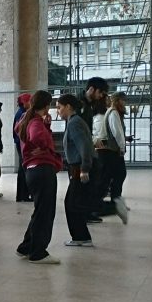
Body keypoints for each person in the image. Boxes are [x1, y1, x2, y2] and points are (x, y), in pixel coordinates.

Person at [15, 90, 62, 264]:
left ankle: (27, 246)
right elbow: (37, 137)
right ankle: (38, 252)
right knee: (45, 212)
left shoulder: (28, 119)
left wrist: (46, 126)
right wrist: (43, 146)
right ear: (46, 105)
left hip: (33, 171)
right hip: (42, 169)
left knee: (40, 211)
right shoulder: (35, 121)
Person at [56, 94, 95, 248]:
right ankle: (81, 236)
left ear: (69, 107)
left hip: (79, 168)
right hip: (76, 168)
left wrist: (84, 169)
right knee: (74, 203)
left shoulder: (74, 123)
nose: (58, 111)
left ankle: (81, 237)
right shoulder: (73, 122)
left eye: (59, 107)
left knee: (72, 204)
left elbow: (84, 146)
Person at [96, 91, 129, 223]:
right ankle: (112, 202)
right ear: (118, 100)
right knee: (116, 175)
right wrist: (122, 147)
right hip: (110, 151)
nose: (125, 103)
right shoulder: (114, 113)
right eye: (123, 100)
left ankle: (114, 202)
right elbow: (117, 132)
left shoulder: (112, 112)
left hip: (108, 151)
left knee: (111, 177)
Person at [79, 77, 109, 219]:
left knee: (93, 181)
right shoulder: (80, 104)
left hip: (88, 148)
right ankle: (85, 213)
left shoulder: (89, 105)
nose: (101, 96)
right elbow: (79, 130)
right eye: (100, 92)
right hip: (81, 151)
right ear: (91, 89)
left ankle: (90, 210)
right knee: (83, 185)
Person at [14, 92, 32, 202]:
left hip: (20, 144)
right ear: (24, 103)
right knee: (23, 170)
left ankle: (22, 195)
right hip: (21, 145)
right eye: (29, 101)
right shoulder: (22, 114)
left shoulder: (22, 113)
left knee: (23, 170)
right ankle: (23, 195)